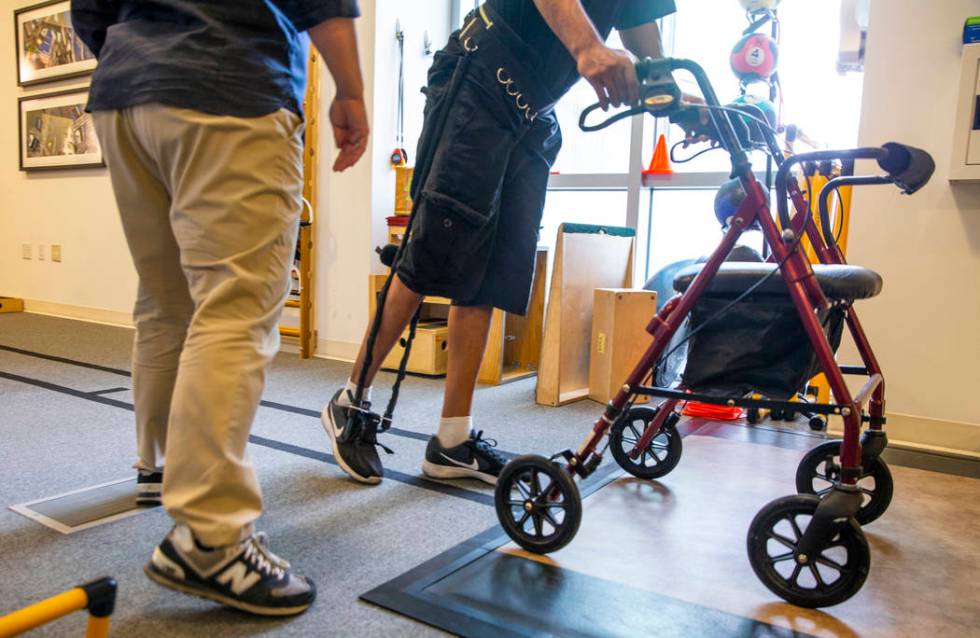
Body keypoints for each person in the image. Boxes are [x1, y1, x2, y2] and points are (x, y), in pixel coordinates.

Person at [71, 0, 369, 617]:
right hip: (230, 79)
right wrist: (350, 91)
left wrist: (143, 55)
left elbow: (89, 11)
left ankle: (157, 466)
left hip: (126, 94)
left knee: (164, 303)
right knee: (234, 309)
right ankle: (211, 536)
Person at [323, 0, 678, 487]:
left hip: (534, 113)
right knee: (430, 252)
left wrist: (675, 95)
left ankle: (452, 441)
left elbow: (646, 37)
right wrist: (588, 47)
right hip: (479, 81)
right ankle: (350, 401)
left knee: (495, 272)